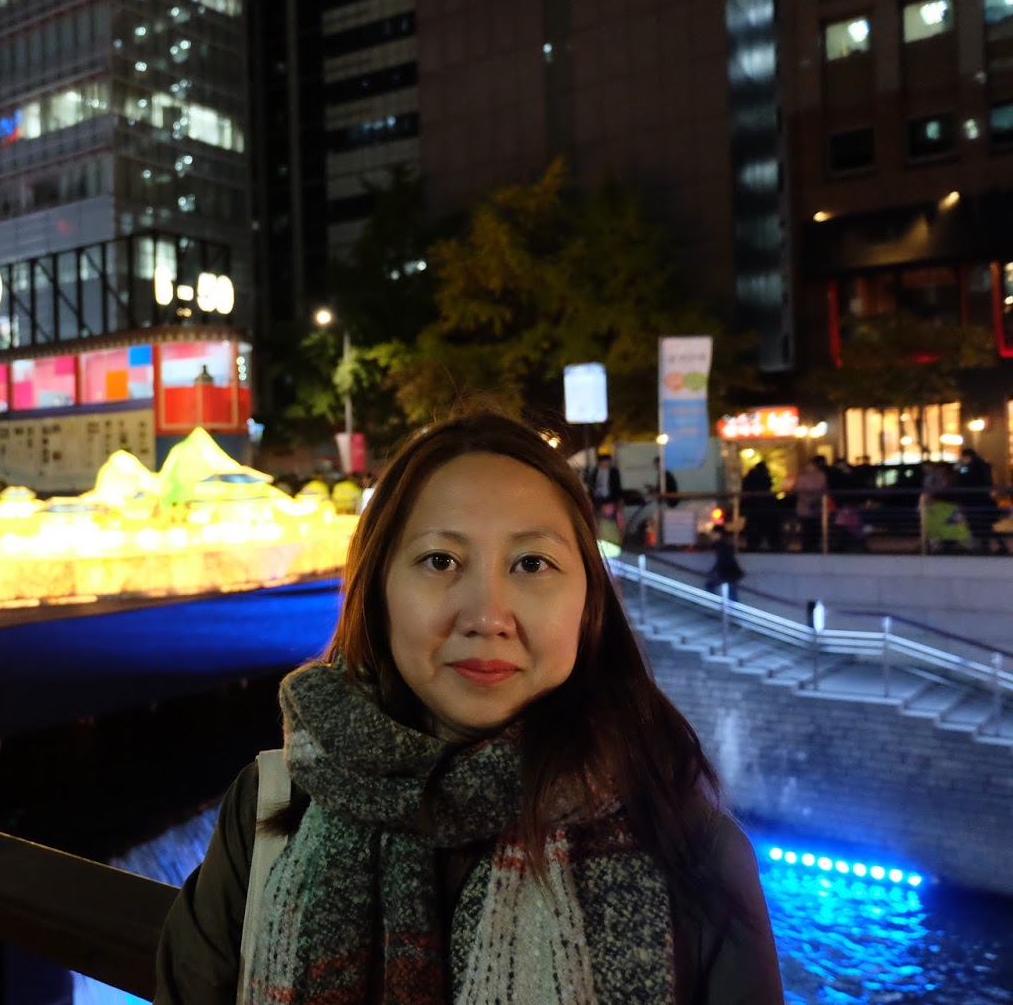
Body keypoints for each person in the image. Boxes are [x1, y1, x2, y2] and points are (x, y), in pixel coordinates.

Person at [155, 409, 782, 1004]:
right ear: (379, 591)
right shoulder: (266, 810)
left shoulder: (696, 855)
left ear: (589, 604)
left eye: (532, 563)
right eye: (440, 560)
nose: (487, 616)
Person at [740, 460, 782, 552]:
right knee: (770, 528)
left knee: (753, 530)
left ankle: (753, 546)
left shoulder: (749, 479)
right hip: (766, 507)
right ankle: (773, 546)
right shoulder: (765, 480)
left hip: (752, 508)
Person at [792, 455, 829, 553]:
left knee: (812, 529)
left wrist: (810, 499)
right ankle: (810, 547)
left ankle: (812, 547)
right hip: (810, 507)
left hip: (811, 507)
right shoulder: (818, 476)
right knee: (808, 528)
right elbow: (799, 490)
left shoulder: (817, 476)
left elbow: (799, 490)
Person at [705, 522, 746, 601]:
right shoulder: (726, 544)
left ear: (718, 534)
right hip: (731, 572)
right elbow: (724, 558)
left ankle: (718, 603)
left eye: (713, 533)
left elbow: (722, 559)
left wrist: (713, 571)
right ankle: (733, 609)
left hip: (727, 572)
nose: (712, 536)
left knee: (710, 585)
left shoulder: (719, 544)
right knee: (732, 593)